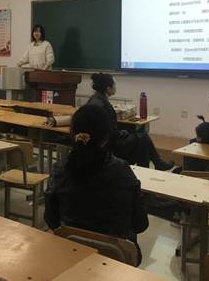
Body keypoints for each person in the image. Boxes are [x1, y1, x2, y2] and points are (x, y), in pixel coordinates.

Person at [44, 104, 148, 265]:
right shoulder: (122, 171)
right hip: (116, 261)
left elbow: (51, 220)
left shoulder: (60, 170)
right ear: (106, 138)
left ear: (73, 134)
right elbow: (140, 224)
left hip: (70, 255)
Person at [87, 73, 174, 171]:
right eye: (114, 85)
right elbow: (112, 134)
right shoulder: (105, 106)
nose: (116, 87)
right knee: (143, 138)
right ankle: (152, 166)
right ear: (108, 88)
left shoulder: (93, 100)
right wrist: (124, 133)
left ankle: (156, 164)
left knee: (140, 136)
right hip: (110, 147)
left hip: (97, 145)